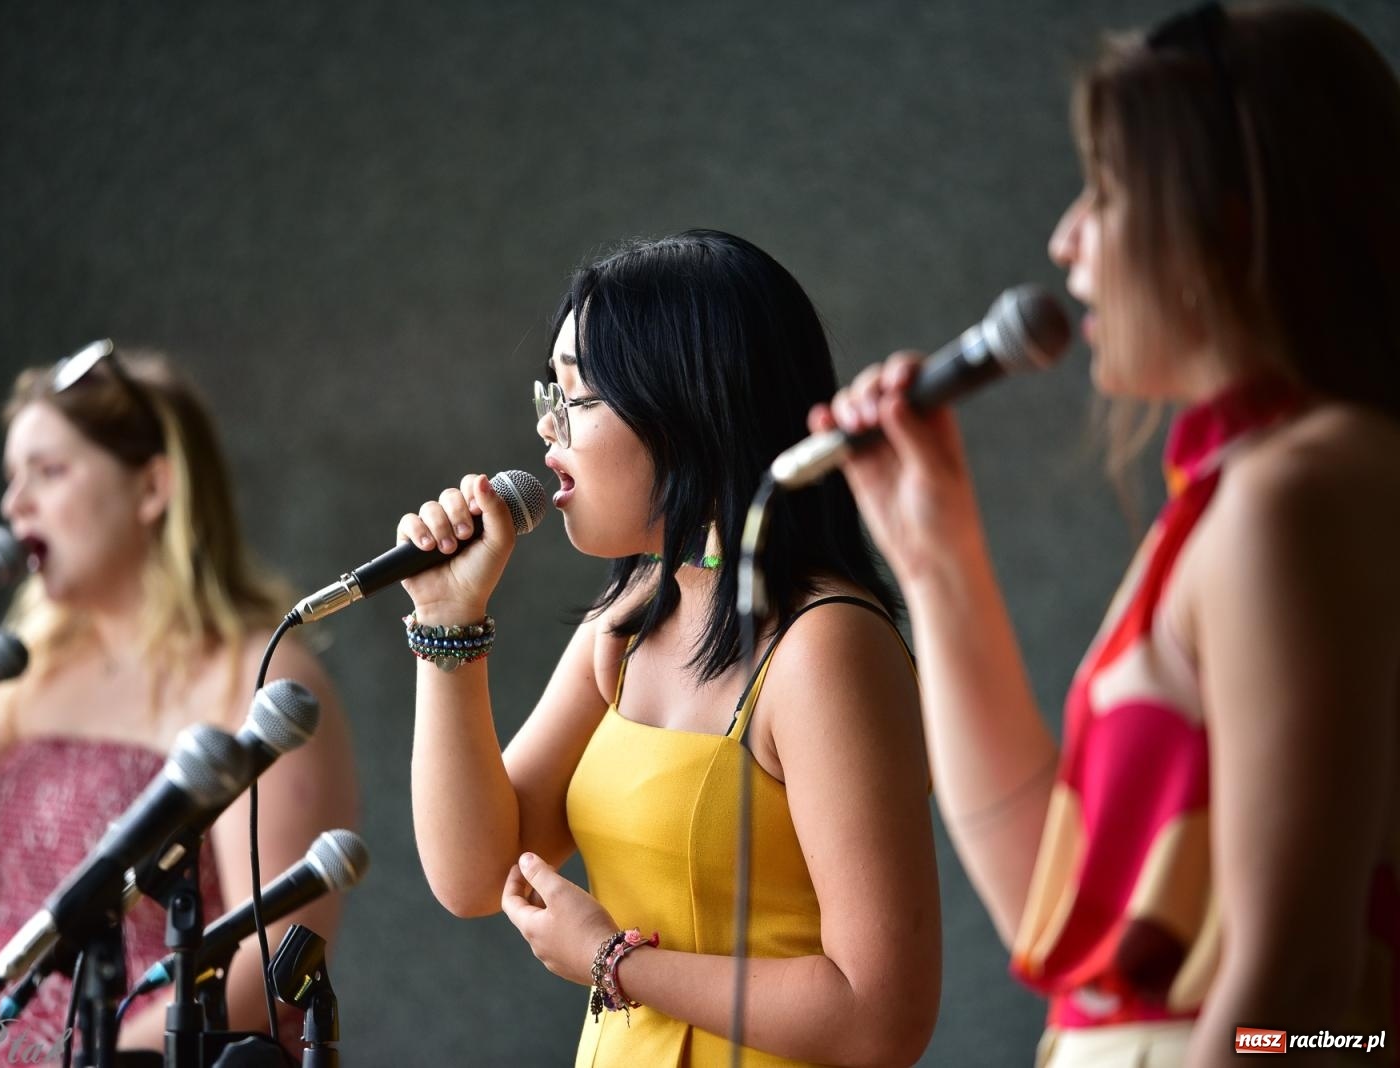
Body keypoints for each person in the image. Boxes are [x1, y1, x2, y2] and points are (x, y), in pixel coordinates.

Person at [814, 4, 1400, 1065]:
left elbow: (1304, 996)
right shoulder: (1249, 490)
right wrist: (932, 555)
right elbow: (1061, 899)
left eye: (1109, 192)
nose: (1065, 240)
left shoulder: (1296, 494)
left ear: (1228, 223)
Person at [395, 230, 940, 1066]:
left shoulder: (823, 644)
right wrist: (447, 623)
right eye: (553, 392)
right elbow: (474, 877)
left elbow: (881, 1018)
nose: (550, 431)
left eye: (578, 397)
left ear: (688, 406)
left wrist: (614, 963)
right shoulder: (629, 616)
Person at [0, 343, 359, 1049]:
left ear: (153, 488)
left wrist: (109, 1057)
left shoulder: (256, 678)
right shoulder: (26, 671)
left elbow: (277, 955)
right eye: (13, 478)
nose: (15, 505)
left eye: (50, 471)